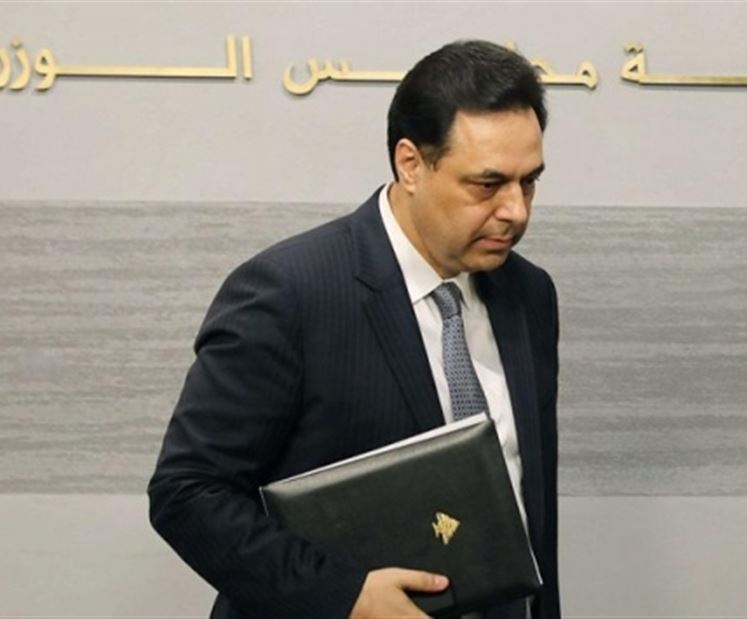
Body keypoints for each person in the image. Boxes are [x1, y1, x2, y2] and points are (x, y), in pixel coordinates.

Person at [148, 39, 560, 619]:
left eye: (529, 182)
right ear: (410, 164)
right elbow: (187, 493)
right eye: (487, 185)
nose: (516, 210)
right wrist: (344, 597)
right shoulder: (288, 293)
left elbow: (526, 502)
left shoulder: (529, 294)